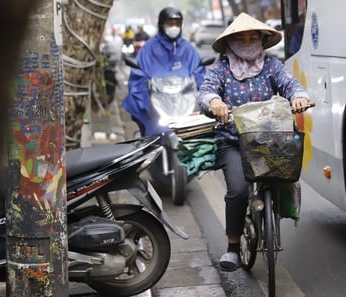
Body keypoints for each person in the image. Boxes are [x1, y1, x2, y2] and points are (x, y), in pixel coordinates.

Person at [197, 12, 310, 272]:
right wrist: (215, 102)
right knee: (238, 190)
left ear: (260, 40)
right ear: (231, 42)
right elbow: (206, 91)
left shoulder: (271, 66)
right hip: (233, 142)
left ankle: (273, 214)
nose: (247, 42)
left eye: (252, 37)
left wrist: (298, 97)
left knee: (285, 175)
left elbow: (289, 84)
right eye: (241, 38)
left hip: (268, 140)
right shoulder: (222, 68)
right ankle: (233, 248)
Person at [122, 7, 206, 136]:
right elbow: (138, 76)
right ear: (161, 24)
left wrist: (201, 95)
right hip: (156, 106)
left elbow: (200, 74)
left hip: (184, 105)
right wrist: (146, 102)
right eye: (170, 23)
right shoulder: (149, 48)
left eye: (177, 24)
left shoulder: (188, 49)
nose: (174, 27)